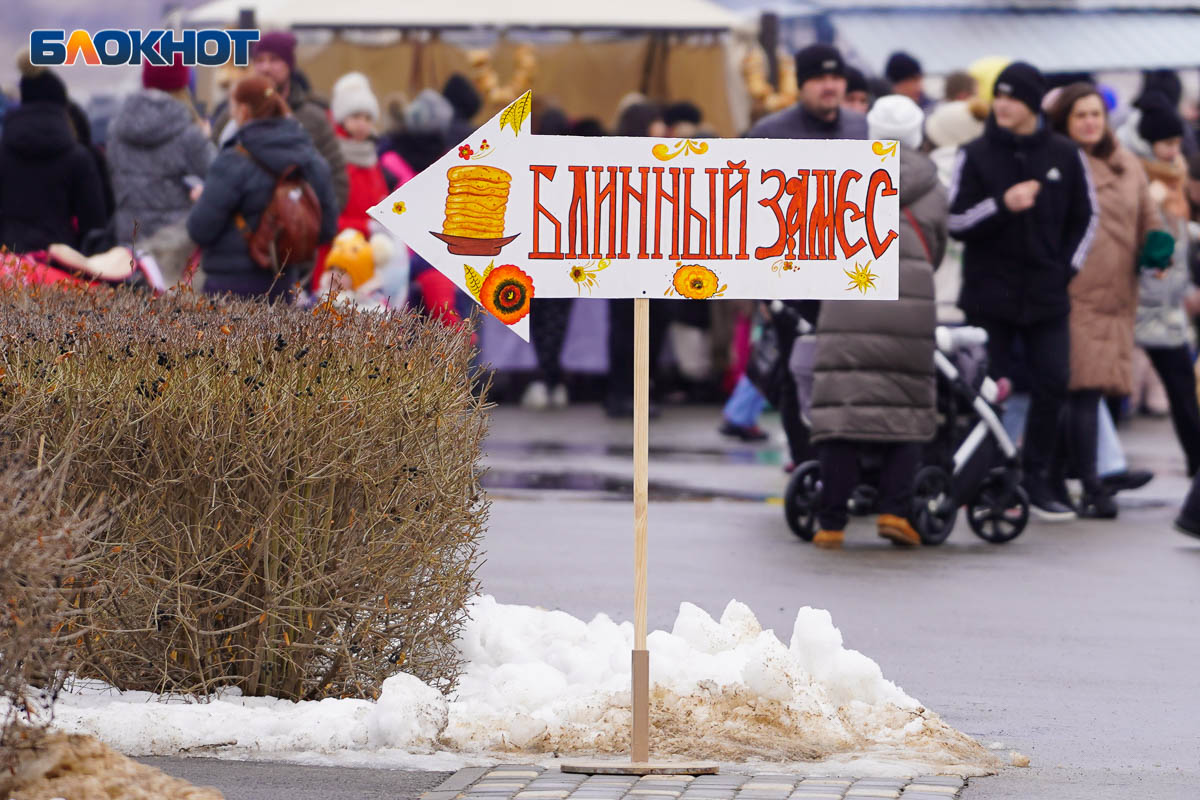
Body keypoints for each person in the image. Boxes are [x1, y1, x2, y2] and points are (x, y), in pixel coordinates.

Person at [948, 61, 1097, 521]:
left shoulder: (1064, 154)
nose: (1003, 104)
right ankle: (982, 479)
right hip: (988, 297)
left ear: (1033, 103)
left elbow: (1087, 218)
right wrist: (1001, 205)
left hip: (1047, 296)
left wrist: (1064, 271)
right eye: (999, 95)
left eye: (1013, 96)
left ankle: (1038, 478)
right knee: (984, 389)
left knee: (1053, 382)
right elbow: (955, 221)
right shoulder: (974, 154)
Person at [809, 95, 945, 549]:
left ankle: (830, 522)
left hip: (849, 297)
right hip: (910, 305)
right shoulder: (933, 183)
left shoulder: (843, 176)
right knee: (904, 410)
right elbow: (938, 249)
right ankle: (894, 511)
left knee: (843, 412)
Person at [746, 43, 866, 465]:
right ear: (802, 84)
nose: (830, 86)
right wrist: (759, 287)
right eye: (819, 78)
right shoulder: (769, 133)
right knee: (795, 372)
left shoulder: (863, 129)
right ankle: (804, 460)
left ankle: (846, 466)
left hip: (851, 278)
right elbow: (745, 210)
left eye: (836, 78)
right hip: (790, 279)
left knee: (849, 375)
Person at [1046, 83, 1161, 518]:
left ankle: (1056, 476)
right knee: (1083, 391)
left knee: (1084, 393)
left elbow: (1150, 220)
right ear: (1064, 122)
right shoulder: (1057, 162)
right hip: (1074, 293)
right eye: (1080, 116)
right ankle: (1092, 485)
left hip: (1117, 297)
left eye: (1096, 114)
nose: (1091, 122)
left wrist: (1159, 251)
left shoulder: (1128, 164)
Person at [187, 76, 338, 300]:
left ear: (243, 110)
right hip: (284, 285)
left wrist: (202, 199)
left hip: (228, 288)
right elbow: (326, 228)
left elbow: (200, 229)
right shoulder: (310, 157)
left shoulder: (233, 160)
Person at [1117, 95, 1200, 477]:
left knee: (1183, 392)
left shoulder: (1174, 172)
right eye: (1166, 144)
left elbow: (1175, 242)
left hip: (1165, 305)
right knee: (1104, 391)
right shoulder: (1133, 175)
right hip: (1134, 301)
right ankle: (1093, 468)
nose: (1174, 151)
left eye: (1176, 142)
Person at [107, 54, 215, 282]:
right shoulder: (189, 133)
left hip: (128, 242)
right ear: (182, 84)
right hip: (174, 247)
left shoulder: (117, 129)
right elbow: (219, 179)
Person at [212, 31, 348, 212]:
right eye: (259, 60)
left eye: (274, 59)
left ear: (289, 65)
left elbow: (337, 178)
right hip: (241, 229)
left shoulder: (313, 117)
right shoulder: (230, 117)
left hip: (299, 228)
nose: (266, 67)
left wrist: (316, 223)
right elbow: (210, 168)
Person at [0, 61, 107, 254]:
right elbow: (94, 226)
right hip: (61, 267)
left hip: (7, 267)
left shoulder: (3, 153)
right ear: (61, 108)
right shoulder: (78, 157)